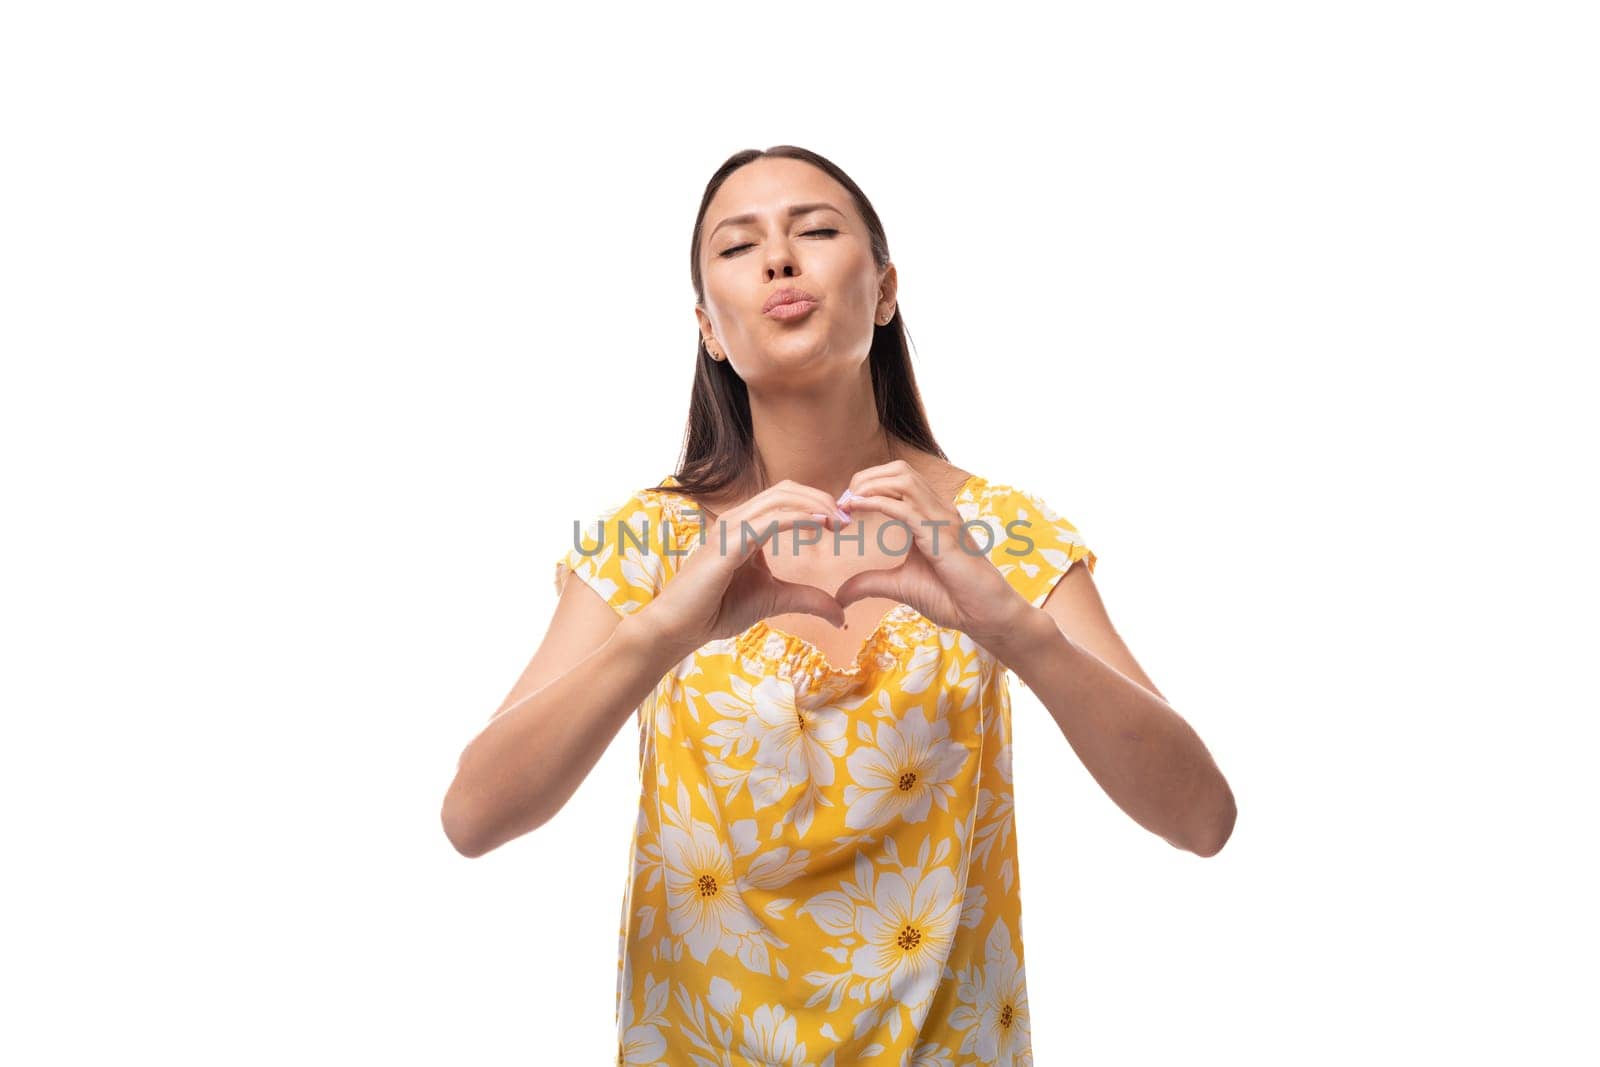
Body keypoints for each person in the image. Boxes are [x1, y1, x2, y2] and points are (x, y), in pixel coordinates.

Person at [442, 145, 1236, 1066]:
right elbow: (474, 817)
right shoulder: (647, 543)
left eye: (816, 231)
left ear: (887, 289)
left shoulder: (999, 531)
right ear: (708, 326)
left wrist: (1015, 631)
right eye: (739, 247)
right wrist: (661, 631)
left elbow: (1201, 819)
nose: (781, 258)